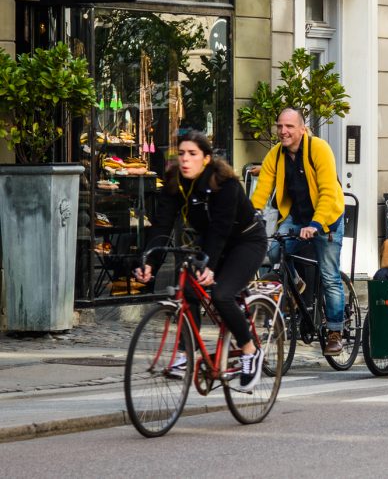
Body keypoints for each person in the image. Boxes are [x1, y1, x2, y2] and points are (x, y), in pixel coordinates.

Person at [134, 132, 268, 391]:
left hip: (245, 242)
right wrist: (150, 260)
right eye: (181, 154)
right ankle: (186, 353)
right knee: (187, 290)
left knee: (222, 294)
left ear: (206, 158)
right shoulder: (175, 182)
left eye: (192, 154)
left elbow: (221, 228)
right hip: (211, 242)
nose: (185, 160)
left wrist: (208, 266)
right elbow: (162, 225)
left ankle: (250, 348)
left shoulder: (224, 183)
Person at [250, 107, 348, 356]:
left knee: (329, 276)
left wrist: (315, 225)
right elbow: (262, 190)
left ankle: (336, 331)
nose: (283, 131)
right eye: (280, 126)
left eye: (289, 126)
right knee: (274, 252)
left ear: (302, 129)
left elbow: (327, 191)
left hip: (327, 221)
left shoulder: (319, 149)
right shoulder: (276, 154)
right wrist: (249, 218)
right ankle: (296, 283)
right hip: (297, 216)